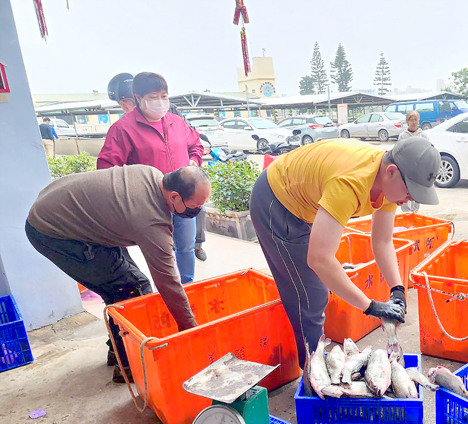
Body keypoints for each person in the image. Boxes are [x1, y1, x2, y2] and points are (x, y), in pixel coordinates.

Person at [249, 137, 441, 367]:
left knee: (318, 287)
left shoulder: (388, 182)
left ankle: (316, 361)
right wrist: (370, 306)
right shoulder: (350, 183)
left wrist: (397, 290)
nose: (409, 199)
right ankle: (312, 373)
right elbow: (319, 258)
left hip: (304, 200)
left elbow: (382, 240)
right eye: (410, 191)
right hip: (275, 200)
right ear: (391, 171)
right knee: (310, 296)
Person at [26, 165, 209, 382]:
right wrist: (192, 332)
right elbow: (168, 284)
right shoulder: (150, 220)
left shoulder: (151, 174)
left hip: (63, 211)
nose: (198, 210)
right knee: (131, 288)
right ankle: (129, 366)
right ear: (174, 196)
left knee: (122, 280)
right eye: (196, 205)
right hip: (54, 233)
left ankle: (117, 349)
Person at [98, 72, 204, 284]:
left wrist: (194, 160)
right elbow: (106, 169)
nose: (160, 102)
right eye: (153, 97)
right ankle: (168, 295)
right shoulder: (123, 129)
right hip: (151, 204)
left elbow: (196, 145)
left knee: (186, 246)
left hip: (182, 197)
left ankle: (188, 287)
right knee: (161, 254)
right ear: (138, 97)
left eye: (164, 96)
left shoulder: (176, 122)